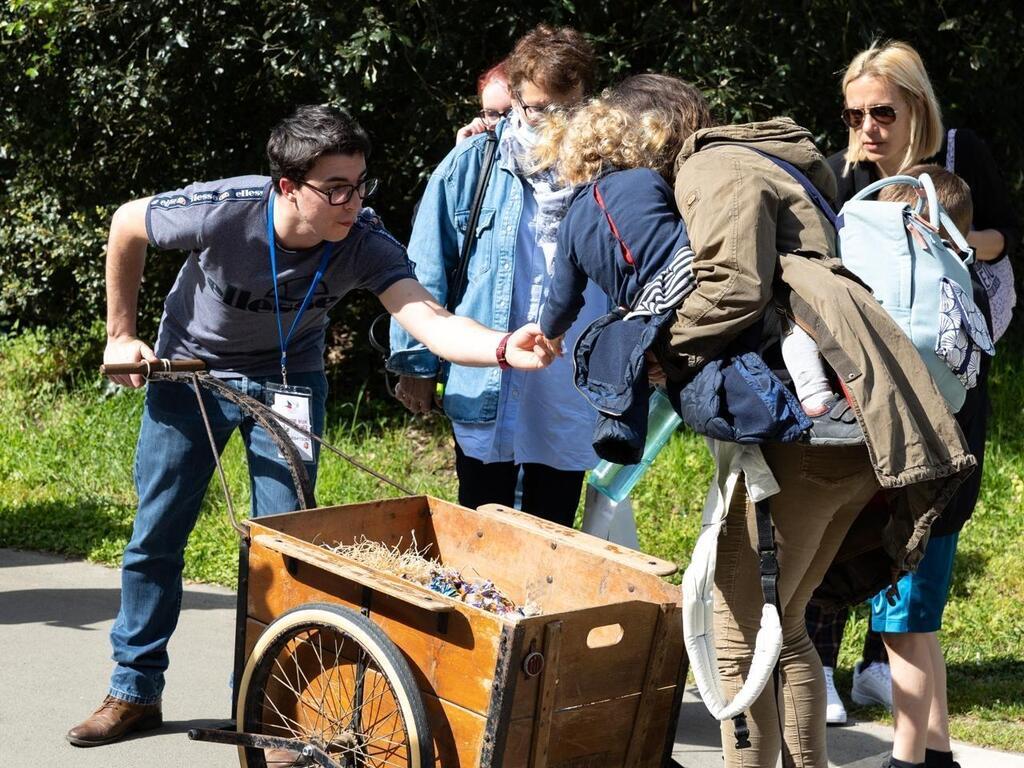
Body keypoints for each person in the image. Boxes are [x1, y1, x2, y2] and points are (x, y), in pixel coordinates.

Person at [66, 104, 554, 748]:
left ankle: (275, 709)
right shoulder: (227, 208)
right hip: (189, 371)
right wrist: (121, 335)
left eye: (360, 184)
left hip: (288, 381)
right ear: (288, 185)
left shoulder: (364, 241)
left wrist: (499, 346)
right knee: (158, 533)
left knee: (288, 548)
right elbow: (128, 223)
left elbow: (429, 319)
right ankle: (133, 689)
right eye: (336, 189)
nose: (353, 202)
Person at [539, 72, 974, 768]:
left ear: (642, 137)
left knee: (734, 628)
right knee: (786, 626)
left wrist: (655, 352)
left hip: (808, 435)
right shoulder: (767, 161)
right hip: (851, 428)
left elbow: (733, 285)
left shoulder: (716, 168)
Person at [806, 40, 1019, 768]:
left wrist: (951, 242)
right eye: (855, 114)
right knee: (885, 587)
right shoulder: (840, 179)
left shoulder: (961, 164)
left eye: (883, 112)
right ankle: (928, 750)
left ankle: (915, 754)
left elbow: (1010, 237)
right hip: (860, 410)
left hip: (943, 407)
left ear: (917, 109)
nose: (868, 128)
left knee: (906, 597)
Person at [389, 24, 604, 527]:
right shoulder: (474, 161)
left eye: (566, 109)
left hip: (568, 373)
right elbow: (423, 266)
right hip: (488, 368)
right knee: (483, 519)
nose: (552, 123)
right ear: (516, 96)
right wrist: (416, 367)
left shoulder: (608, 167)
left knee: (553, 523)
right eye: (537, 109)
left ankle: (539, 607)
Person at [455, 60, 512, 144]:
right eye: (492, 114)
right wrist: (465, 147)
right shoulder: (484, 149)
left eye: (511, 112)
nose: (502, 122)